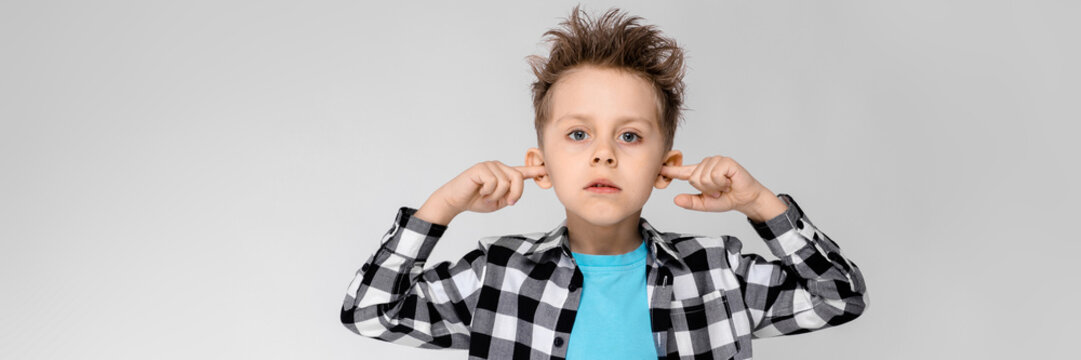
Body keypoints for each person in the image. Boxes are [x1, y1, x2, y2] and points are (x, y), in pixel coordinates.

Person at [340, 5, 867, 359]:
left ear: (666, 164)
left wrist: (759, 204)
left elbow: (839, 296)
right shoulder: (495, 276)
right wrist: (442, 206)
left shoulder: (718, 273)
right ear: (539, 162)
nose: (603, 154)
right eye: (577, 134)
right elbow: (369, 312)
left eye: (631, 137)